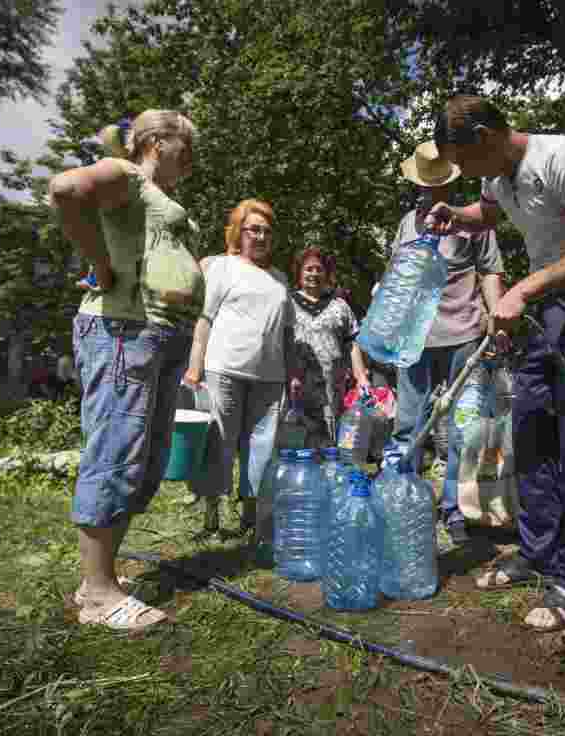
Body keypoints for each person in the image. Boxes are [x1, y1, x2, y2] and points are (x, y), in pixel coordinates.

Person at [428, 94, 565, 632]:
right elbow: (487, 213)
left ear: (487, 138)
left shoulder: (561, 157)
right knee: (531, 429)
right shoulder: (499, 179)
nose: (462, 175)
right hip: (542, 306)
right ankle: (537, 551)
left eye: (463, 161)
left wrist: (524, 287)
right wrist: (456, 216)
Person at [49, 108, 202, 631]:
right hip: (123, 330)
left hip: (157, 335)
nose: (193, 160)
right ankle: (96, 593)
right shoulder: (126, 175)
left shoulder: (155, 195)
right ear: (158, 143)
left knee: (145, 459)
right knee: (117, 449)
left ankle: (101, 577)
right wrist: (100, 264)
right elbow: (67, 190)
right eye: (188, 147)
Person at [384, 140, 505, 546]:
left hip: (465, 337)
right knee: (407, 424)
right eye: (425, 184)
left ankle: (454, 509)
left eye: (437, 184)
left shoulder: (474, 220)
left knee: (462, 429)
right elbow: (394, 281)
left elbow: (490, 271)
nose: (431, 191)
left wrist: (497, 321)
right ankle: (401, 501)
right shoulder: (406, 224)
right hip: (412, 342)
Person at [184, 199, 304, 535]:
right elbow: (204, 321)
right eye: (254, 229)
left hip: (270, 377)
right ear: (239, 232)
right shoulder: (224, 267)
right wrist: (195, 367)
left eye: (267, 231)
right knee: (218, 444)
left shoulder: (279, 278)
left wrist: (293, 373)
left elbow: (288, 333)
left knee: (262, 447)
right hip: (225, 369)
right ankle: (211, 516)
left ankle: (251, 516)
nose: (262, 237)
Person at [289, 247, 371, 448]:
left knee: (330, 442)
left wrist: (361, 377)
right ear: (299, 273)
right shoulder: (287, 303)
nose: (314, 274)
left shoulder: (340, 305)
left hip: (332, 388)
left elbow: (353, 344)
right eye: (309, 269)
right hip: (297, 385)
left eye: (319, 269)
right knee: (297, 441)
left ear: (326, 273)